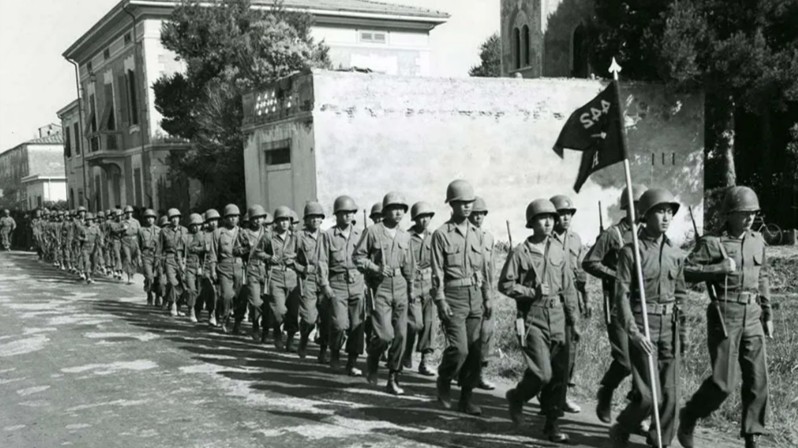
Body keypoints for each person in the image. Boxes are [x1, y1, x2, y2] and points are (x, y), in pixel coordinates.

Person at [677, 186, 772, 448]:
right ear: (729, 214)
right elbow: (685, 271)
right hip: (724, 314)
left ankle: (752, 436)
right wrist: (717, 268)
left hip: (753, 315)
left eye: (753, 213)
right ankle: (690, 415)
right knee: (723, 383)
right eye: (743, 213)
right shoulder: (712, 243)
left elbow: (762, 276)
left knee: (758, 380)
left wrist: (768, 313)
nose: (749, 218)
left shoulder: (756, 240)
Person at [610, 188, 687, 448]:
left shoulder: (675, 253)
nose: (666, 217)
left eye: (669, 212)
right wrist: (634, 332)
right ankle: (623, 425)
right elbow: (620, 296)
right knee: (647, 395)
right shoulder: (631, 251)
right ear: (646, 214)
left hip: (670, 328)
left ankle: (660, 443)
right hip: (643, 325)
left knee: (670, 395)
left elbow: (681, 294)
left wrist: (682, 334)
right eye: (660, 211)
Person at [501, 199, 579, 443]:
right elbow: (504, 284)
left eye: (551, 218)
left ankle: (552, 424)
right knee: (542, 373)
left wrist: (574, 320)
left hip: (558, 317)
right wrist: (530, 292)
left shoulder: (559, 250)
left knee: (559, 375)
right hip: (532, 317)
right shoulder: (520, 252)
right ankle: (517, 397)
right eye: (542, 218)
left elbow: (568, 288)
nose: (548, 222)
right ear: (532, 222)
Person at [582, 188, 645, 425]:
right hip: (618, 303)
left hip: (643, 305)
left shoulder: (648, 233)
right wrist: (615, 275)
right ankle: (606, 390)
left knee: (643, 361)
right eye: (638, 204)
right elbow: (589, 262)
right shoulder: (614, 234)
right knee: (625, 361)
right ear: (628, 206)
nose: (642, 209)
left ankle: (637, 414)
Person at [432, 179, 492, 416]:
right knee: (460, 349)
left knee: (475, 352)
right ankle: (444, 379)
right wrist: (441, 300)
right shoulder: (441, 234)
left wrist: (487, 297)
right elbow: (437, 272)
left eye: (469, 202)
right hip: (454, 296)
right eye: (461, 203)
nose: (467, 206)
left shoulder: (478, 234)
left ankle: (466, 398)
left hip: (475, 296)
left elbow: (484, 271)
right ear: (452, 204)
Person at [355, 192, 415, 395]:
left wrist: (412, 289)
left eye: (401, 209)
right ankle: (372, 358)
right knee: (384, 335)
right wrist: (375, 268)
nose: (398, 212)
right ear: (386, 210)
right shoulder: (372, 231)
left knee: (400, 335)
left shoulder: (406, 236)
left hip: (400, 287)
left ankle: (392, 377)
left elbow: (410, 266)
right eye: (393, 208)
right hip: (380, 287)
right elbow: (358, 257)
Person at [316, 195, 366, 376]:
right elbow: (321, 261)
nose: (347, 216)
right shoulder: (328, 236)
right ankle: (335, 352)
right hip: (336, 283)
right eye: (343, 213)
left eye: (350, 213)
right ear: (336, 215)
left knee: (357, 325)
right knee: (339, 324)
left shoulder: (361, 234)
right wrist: (324, 285)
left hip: (357, 282)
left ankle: (352, 361)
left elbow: (369, 259)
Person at [550, 194, 587, 414]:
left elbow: (580, 270)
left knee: (571, 350)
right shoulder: (546, 238)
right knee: (553, 350)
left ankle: (562, 394)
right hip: (553, 300)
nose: (566, 218)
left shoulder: (575, 239)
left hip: (572, 300)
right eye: (561, 214)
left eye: (569, 214)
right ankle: (550, 392)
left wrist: (585, 299)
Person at [404, 201, 437, 376]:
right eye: (421, 217)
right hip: (413, 284)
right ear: (415, 219)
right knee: (414, 323)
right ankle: (407, 351)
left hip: (430, 285)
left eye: (427, 217)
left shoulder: (433, 237)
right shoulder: (406, 237)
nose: (425, 220)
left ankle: (425, 362)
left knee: (429, 325)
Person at [469, 196, 497, 391]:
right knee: (469, 334)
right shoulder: (464, 236)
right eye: (475, 214)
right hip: (468, 290)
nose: (478, 217)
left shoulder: (488, 237)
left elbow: (492, 266)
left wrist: (491, 293)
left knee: (486, 333)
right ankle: (464, 371)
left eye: (481, 214)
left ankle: (481, 373)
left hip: (487, 289)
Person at [265, 206, 300, 351]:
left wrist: (296, 264)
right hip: (276, 275)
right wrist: (268, 257)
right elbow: (257, 253)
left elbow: (302, 255)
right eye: (281, 220)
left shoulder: (296, 237)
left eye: (286, 220)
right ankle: (277, 333)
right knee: (279, 311)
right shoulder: (269, 237)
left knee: (293, 311)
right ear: (276, 222)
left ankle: (290, 340)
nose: (284, 223)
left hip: (292, 275)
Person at [234, 205, 270, 339]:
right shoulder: (244, 233)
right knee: (255, 301)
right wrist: (246, 249)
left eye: (260, 218)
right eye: (255, 218)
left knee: (267, 301)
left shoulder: (269, 232)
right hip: (252, 268)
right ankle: (255, 324)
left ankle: (265, 328)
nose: (257, 221)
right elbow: (235, 250)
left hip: (267, 269)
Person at [295, 201, 325, 359]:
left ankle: (323, 351)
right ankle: (304, 340)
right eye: (312, 217)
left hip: (325, 280)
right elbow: (289, 259)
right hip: (308, 280)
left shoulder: (326, 236)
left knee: (326, 318)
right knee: (309, 318)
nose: (315, 220)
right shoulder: (299, 237)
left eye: (318, 217)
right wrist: (302, 269)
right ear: (306, 219)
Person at [209, 204, 243, 333]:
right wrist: (212, 270)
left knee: (240, 297)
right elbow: (213, 253)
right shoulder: (218, 233)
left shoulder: (242, 232)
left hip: (239, 267)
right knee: (227, 295)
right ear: (225, 218)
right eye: (230, 217)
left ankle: (238, 323)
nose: (233, 219)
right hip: (224, 267)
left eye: (235, 216)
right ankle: (225, 319)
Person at [158, 208, 187, 317]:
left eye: (177, 217)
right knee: (172, 282)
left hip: (182, 259)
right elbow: (160, 248)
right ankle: (173, 304)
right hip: (169, 258)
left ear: (180, 218)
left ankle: (179, 306)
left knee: (182, 283)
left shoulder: (184, 231)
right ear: (170, 220)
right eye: (172, 218)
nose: (175, 220)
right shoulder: (164, 231)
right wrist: (160, 262)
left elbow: (187, 246)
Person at [184, 213, 206, 323]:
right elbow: (182, 250)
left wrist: (197, 249)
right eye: (193, 225)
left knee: (200, 291)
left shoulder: (204, 236)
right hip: (189, 265)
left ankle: (198, 311)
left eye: (198, 225)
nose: (196, 227)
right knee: (191, 289)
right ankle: (191, 310)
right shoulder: (186, 236)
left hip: (201, 266)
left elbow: (207, 249)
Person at [200, 209, 221, 326]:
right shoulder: (203, 235)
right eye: (211, 220)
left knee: (220, 292)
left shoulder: (222, 233)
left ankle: (219, 314)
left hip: (221, 266)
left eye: (215, 220)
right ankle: (212, 313)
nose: (213, 223)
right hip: (207, 267)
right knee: (211, 292)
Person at [138, 209, 161, 305]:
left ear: (154, 219)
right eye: (147, 218)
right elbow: (138, 245)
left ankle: (158, 297)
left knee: (158, 278)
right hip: (146, 255)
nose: (149, 220)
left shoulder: (159, 230)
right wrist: (139, 257)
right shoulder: (141, 230)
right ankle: (149, 294)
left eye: (151, 218)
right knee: (149, 277)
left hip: (157, 255)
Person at [78, 213, 103, 284]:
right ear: (85, 220)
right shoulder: (82, 228)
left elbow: (100, 236)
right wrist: (83, 239)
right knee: (86, 262)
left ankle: (92, 276)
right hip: (85, 247)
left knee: (94, 263)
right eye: (87, 220)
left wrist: (100, 242)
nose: (89, 221)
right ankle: (88, 276)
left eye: (90, 220)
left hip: (94, 247)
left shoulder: (96, 228)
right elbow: (77, 237)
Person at [121, 205, 141, 284]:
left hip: (134, 241)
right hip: (125, 241)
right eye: (127, 213)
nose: (129, 214)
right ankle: (129, 276)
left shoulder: (136, 222)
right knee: (127, 258)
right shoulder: (122, 222)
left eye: (130, 212)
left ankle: (132, 274)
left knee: (134, 259)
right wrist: (122, 229)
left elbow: (140, 232)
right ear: (125, 213)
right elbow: (118, 232)